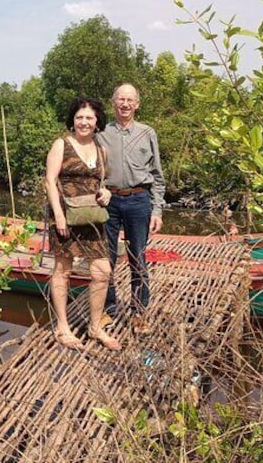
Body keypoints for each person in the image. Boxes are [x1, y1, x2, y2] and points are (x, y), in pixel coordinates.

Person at [45, 97, 121, 351]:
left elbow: (101, 183)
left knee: (103, 271)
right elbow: (49, 181)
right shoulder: (62, 144)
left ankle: (95, 326)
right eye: (80, 117)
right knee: (63, 270)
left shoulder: (102, 150)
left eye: (89, 118)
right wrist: (58, 215)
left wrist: (106, 193)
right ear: (73, 120)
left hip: (93, 218)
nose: (84, 122)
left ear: (97, 120)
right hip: (66, 216)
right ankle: (63, 327)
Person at [97, 83, 165, 335]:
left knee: (138, 258)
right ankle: (109, 308)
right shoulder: (101, 132)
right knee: (107, 259)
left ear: (137, 104)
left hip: (139, 200)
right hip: (109, 202)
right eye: (120, 99)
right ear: (113, 103)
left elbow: (157, 175)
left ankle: (139, 312)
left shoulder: (147, 132)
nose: (125, 104)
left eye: (130, 100)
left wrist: (157, 209)